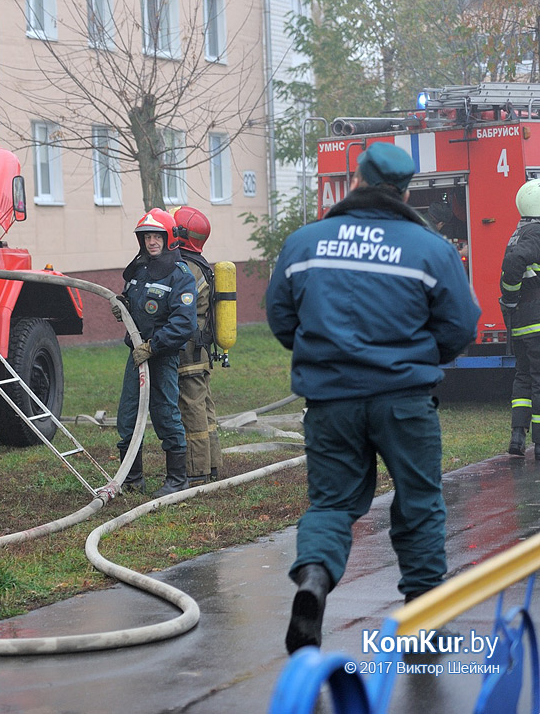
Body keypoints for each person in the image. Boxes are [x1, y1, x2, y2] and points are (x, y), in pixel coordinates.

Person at [267, 142, 479, 655]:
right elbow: (460, 325)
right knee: (420, 503)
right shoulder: (430, 248)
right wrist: (417, 358)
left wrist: (326, 357)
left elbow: (281, 318)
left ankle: (314, 579)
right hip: (404, 402)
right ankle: (423, 624)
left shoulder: (305, 242)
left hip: (330, 403)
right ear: (405, 192)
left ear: (357, 181)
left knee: (332, 504)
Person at [115, 208, 197, 497]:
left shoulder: (180, 276)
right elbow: (137, 303)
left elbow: (184, 322)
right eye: (147, 236)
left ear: (168, 238)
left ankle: (177, 479)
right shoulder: (139, 270)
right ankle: (132, 479)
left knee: (165, 414)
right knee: (127, 416)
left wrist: (153, 346)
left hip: (161, 356)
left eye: (157, 237)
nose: (151, 242)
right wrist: (123, 307)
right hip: (137, 356)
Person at [170, 206, 221, 485]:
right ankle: (211, 465)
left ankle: (196, 470)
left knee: (190, 406)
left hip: (188, 348)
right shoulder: (199, 263)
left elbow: (178, 307)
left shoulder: (185, 268)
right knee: (204, 405)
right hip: (200, 346)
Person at [500, 178, 540, 458]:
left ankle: (517, 436)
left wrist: (511, 298)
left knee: (524, 377)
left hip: (521, 322)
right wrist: (512, 295)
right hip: (537, 321)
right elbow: (515, 263)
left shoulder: (519, 232)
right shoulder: (536, 233)